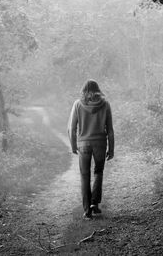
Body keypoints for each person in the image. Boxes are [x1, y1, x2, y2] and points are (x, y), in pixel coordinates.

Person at [68, 79, 114, 220]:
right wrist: (111, 149)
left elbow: (72, 128)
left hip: (83, 144)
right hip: (100, 143)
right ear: (98, 90)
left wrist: (73, 145)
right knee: (98, 172)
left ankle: (87, 211)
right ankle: (95, 203)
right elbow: (110, 130)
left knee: (84, 175)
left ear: (84, 90)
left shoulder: (77, 104)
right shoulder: (105, 104)